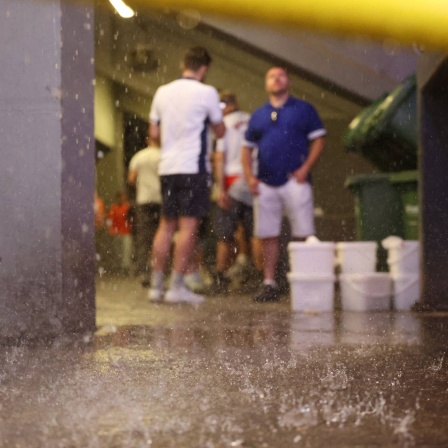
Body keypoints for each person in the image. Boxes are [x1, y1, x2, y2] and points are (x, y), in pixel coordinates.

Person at [148, 46, 225, 304]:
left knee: (166, 225)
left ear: (183, 64)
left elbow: (154, 134)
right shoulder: (207, 92)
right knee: (188, 227)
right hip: (193, 167)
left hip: (168, 167)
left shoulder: (162, 92)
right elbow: (221, 130)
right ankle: (176, 287)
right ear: (203, 69)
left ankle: (156, 286)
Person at [242, 66, 326, 302]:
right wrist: (250, 177)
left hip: (295, 180)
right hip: (266, 183)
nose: (276, 79)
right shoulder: (258, 115)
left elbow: (319, 141)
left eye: (281, 75)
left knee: (304, 232)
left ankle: (305, 281)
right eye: (271, 76)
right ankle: (269, 282)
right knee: (267, 234)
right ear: (266, 83)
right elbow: (246, 149)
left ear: (288, 81)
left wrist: (305, 168)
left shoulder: (303, 110)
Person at [208, 91, 252, 294]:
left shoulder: (222, 125)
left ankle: (220, 279)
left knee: (224, 234)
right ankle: (258, 276)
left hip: (231, 180)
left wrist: (220, 188)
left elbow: (219, 157)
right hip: (251, 181)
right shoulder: (251, 120)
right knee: (254, 233)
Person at [127, 139, 162, 287]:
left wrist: (141, 187)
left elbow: (131, 179)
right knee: (161, 236)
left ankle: (144, 272)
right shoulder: (164, 156)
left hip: (144, 201)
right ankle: (159, 271)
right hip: (160, 200)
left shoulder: (138, 157)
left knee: (143, 237)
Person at [106, 191, 133, 274]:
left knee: (127, 250)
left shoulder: (128, 207)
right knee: (118, 251)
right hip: (116, 233)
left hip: (126, 232)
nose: (122, 199)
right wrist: (111, 230)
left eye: (123, 197)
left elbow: (131, 219)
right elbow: (110, 220)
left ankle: (126, 267)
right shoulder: (113, 208)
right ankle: (118, 267)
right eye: (120, 197)